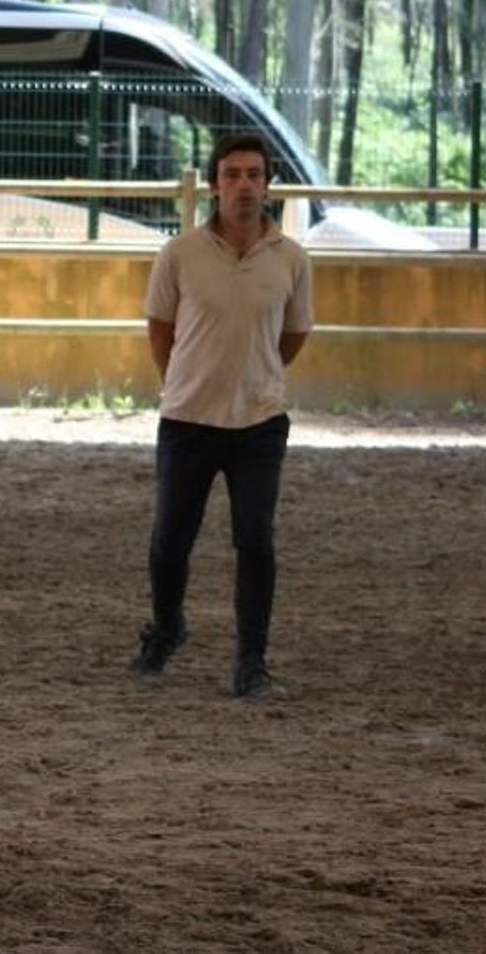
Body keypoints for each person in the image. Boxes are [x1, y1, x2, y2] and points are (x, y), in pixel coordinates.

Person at [129, 131, 312, 702]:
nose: (243, 186)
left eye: (254, 175)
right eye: (232, 174)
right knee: (169, 541)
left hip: (259, 423)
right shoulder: (179, 254)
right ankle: (167, 626)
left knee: (255, 538)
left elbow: (293, 334)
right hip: (187, 419)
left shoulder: (291, 259)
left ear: (267, 185)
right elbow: (161, 332)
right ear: (214, 185)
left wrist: (253, 378)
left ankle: (251, 662)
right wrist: (191, 381)